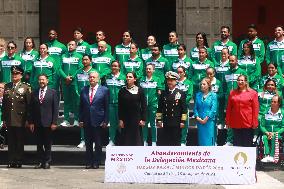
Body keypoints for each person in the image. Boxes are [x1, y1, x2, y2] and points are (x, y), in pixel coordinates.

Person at [2, 65, 31, 168]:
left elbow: (29, 104)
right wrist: (4, 119)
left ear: (21, 75)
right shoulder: (7, 86)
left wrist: (28, 119)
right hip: (9, 118)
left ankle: (18, 161)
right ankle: (11, 160)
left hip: (20, 118)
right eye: (13, 73)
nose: (14, 75)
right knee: (11, 141)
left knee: (19, 141)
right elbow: (5, 104)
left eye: (16, 73)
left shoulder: (25, 87)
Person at [79, 71, 109, 169]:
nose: (91, 79)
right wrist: (81, 119)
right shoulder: (84, 89)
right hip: (87, 120)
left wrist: (105, 120)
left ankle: (97, 162)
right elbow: (81, 106)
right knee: (88, 143)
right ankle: (89, 161)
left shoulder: (104, 90)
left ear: (98, 79)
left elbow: (107, 107)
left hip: (99, 120)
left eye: (93, 77)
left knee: (98, 143)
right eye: (90, 77)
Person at [28, 74, 58, 169]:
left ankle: (47, 161)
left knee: (48, 144)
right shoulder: (34, 93)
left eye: (43, 80)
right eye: (40, 79)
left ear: (47, 81)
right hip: (37, 123)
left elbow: (55, 109)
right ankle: (40, 162)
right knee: (39, 144)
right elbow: (31, 109)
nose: (41, 81)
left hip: (48, 123)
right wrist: (31, 122)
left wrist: (54, 122)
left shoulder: (53, 92)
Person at [226, 75, 259, 147]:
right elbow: (229, 108)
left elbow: (255, 109)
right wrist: (228, 121)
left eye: (242, 80)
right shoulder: (232, 93)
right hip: (236, 123)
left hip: (248, 123)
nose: (240, 82)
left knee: (247, 145)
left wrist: (255, 122)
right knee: (237, 145)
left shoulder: (253, 93)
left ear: (246, 82)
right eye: (238, 80)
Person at [156, 71, 187, 146]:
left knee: (176, 142)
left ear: (176, 81)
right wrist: (159, 120)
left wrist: (183, 121)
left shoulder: (180, 93)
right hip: (166, 121)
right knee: (166, 142)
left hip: (176, 122)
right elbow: (159, 108)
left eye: (172, 80)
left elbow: (184, 109)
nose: (169, 82)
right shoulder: (164, 93)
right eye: (168, 80)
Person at [75, 55, 97, 148]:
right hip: (82, 100)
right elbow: (75, 85)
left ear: (90, 61)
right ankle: (83, 140)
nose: (84, 61)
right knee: (82, 121)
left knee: (93, 122)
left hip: (92, 101)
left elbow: (97, 86)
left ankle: (94, 141)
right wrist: (80, 95)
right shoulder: (78, 71)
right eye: (83, 60)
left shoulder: (94, 72)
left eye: (86, 59)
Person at [118, 72, 146, 146]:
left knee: (136, 139)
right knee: (126, 140)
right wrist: (120, 119)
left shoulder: (140, 90)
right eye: (127, 77)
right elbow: (120, 106)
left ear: (135, 79)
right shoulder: (122, 90)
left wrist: (143, 119)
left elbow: (144, 105)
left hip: (136, 118)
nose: (128, 78)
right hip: (125, 119)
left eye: (130, 77)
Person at [59, 41, 83, 127]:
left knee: (76, 101)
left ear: (76, 46)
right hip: (65, 81)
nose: (70, 46)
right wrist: (65, 77)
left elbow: (80, 68)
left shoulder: (79, 56)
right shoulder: (63, 56)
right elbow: (59, 68)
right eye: (69, 44)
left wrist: (72, 77)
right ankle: (66, 120)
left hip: (75, 82)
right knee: (66, 101)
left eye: (72, 45)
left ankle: (76, 119)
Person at [140, 64, 163, 146]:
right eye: (147, 69)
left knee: (153, 123)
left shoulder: (157, 79)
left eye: (150, 69)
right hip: (143, 106)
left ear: (153, 70)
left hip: (153, 105)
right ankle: (144, 141)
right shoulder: (142, 79)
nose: (148, 70)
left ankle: (154, 141)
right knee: (144, 123)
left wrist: (157, 101)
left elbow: (160, 92)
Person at [104, 60, 126, 146]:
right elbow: (105, 91)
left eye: (116, 66)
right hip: (110, 104)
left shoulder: (124, 77)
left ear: (119, 67)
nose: (114, 67)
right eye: (112, 66)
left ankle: (122, 141)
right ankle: (112, 140)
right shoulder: (107, 77)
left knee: (121, 123)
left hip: (121, 104)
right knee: (112, 124)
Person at [194, 78, 217, 146]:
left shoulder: (213, 95)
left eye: (204, 84)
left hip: (209, 122)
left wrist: (206, 119)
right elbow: (195, 108)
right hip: (200, 121)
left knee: (208, 140)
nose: (202, 85)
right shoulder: (198, 95)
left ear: (209, 85)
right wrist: (197, 117)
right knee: (201, 140)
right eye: (201, 84)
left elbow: (213, 109)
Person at [260, 95, 284, 163]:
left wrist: (275, 133)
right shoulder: (266, 112)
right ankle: (266, 155)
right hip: (267, 133)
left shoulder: (282, 113)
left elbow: (283, 127)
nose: (272, 103)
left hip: (277, 134)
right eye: (271, 101)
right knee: (263, 137)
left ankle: (272, 156)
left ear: (279, 103)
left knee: (274, 137)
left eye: (275, 102)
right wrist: (267, 132)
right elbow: (262, 125)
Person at [176, 66, 193, 146]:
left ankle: (183, 141)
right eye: (178, 72)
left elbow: (189, 95)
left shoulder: (189, 83)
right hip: (174, 107)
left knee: (184, 124)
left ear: (184, 72)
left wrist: (181, 103)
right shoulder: (174, 82)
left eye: (181, 72)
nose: (179, 74)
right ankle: (176, 140)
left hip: (184, 108)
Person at [206, 67, 223, 143]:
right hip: (205, 108)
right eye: (208, 74)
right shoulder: (204, 82)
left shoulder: (218, 82)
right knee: (206, 126)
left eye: (211, 74)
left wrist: (214, 96)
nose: (209, 75)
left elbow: (222, 94)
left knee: (213, 126)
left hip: (214, 108)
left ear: (214, 73)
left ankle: (214, 142)